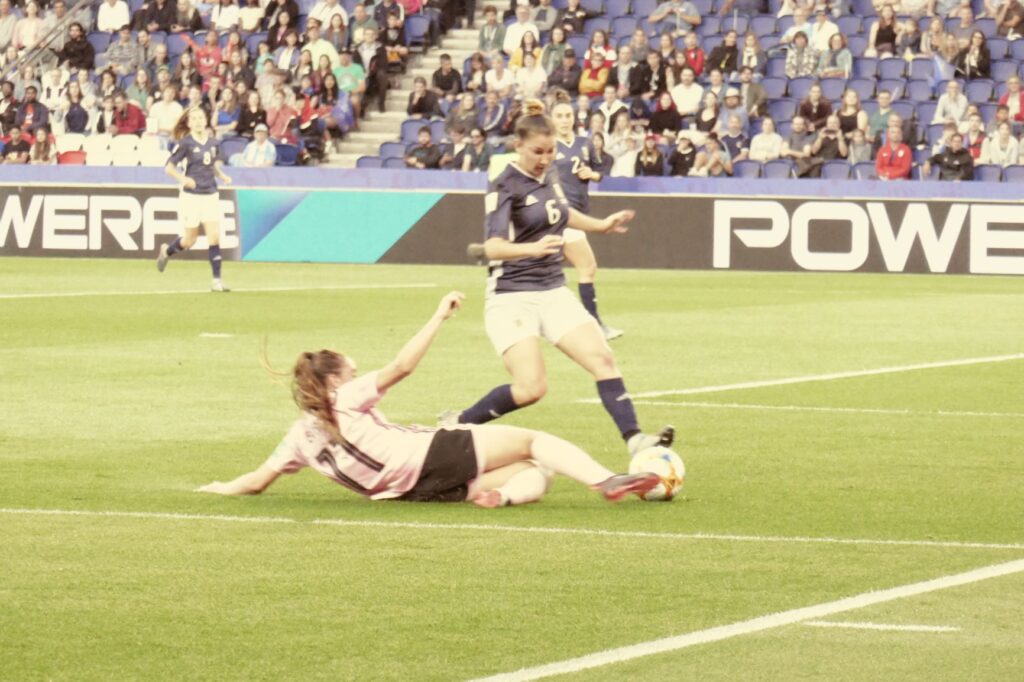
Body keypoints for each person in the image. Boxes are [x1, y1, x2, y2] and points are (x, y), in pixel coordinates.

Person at [197, 292, 661, 506]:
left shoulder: (298, 438)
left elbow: (256, 482)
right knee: (535, 441)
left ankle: (500, 497)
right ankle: (606, 481)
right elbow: (402, 366)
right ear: (334, 381)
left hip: (411, 491)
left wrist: (215, 487)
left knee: (536, 472)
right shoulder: (345, 399)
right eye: (351, 369)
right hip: (429, 453)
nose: (358, 373)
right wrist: (438, 316)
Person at [441, 99, 674, 457]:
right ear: (518, 146)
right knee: (532, 387)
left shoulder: (548, 174)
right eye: (538, 151)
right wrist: (532, 250)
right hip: (511, 295)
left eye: (550, 151)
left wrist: (601, 226)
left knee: (603, 359)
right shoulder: (504, 184)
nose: (546, 158)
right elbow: (493, 246)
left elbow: (561, 213)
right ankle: (461, 422)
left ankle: (635, 439)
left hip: (552, 290)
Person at [157, 107, 233, 292]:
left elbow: (211, 165)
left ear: (206, 120)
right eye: (195, 119)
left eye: (201, 118)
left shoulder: (214, 143)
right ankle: (167, 251)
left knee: (214, 237)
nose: (198, 121)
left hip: (210, 194)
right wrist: (184, 179)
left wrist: (222, 176)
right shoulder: (185, 143)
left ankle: (216, 281)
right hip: (191, 197)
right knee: (189, 240)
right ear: (189, 123)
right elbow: (169, 168)